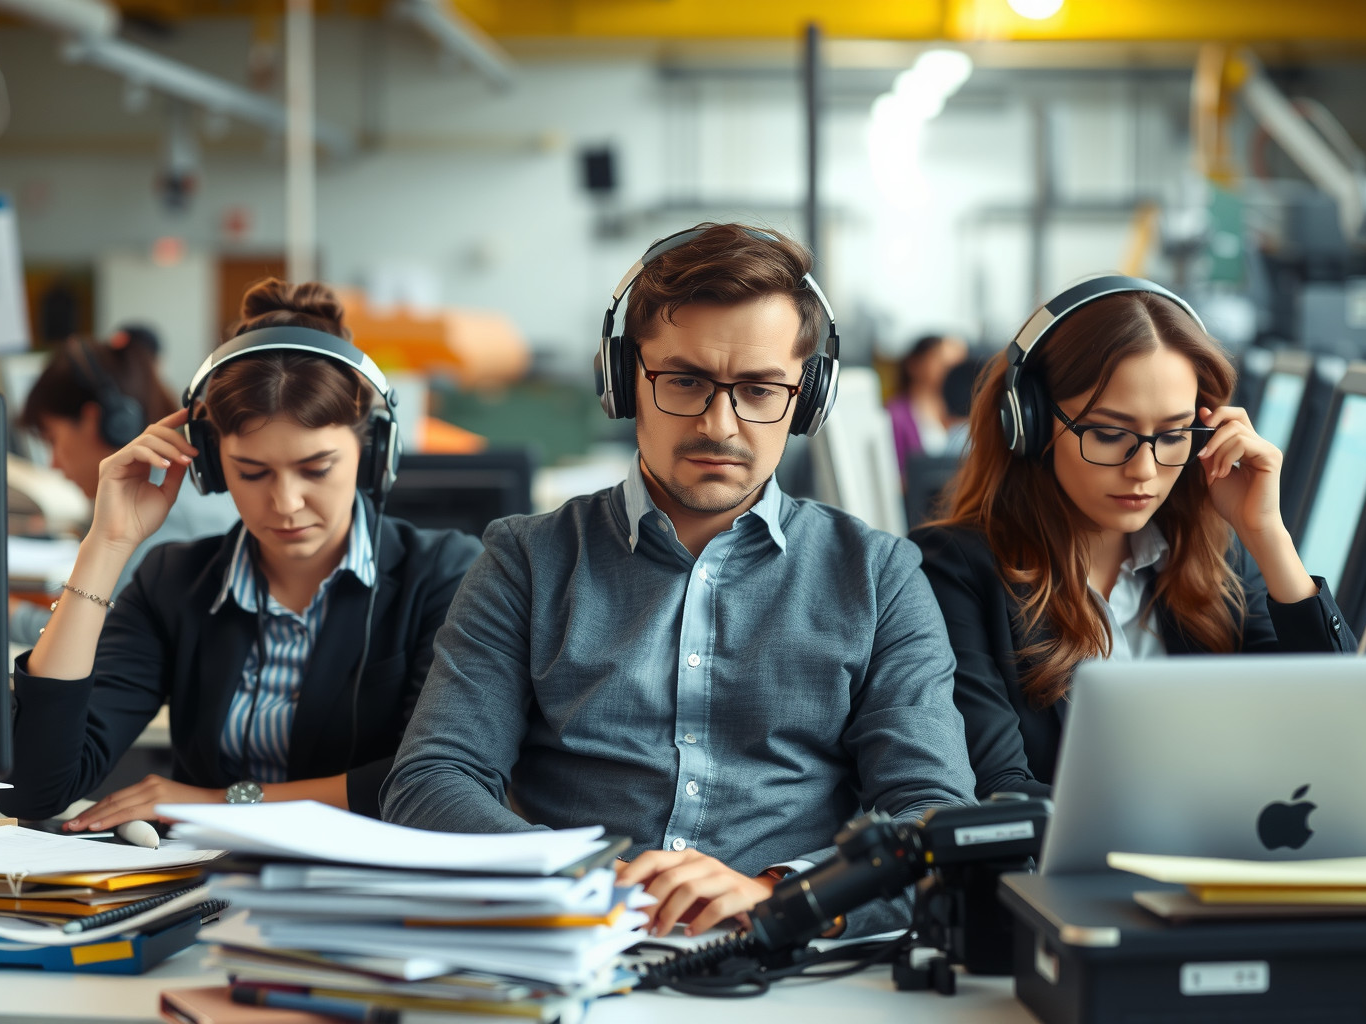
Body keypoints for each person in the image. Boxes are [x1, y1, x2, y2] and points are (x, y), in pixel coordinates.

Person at [382, 224, 974, 938]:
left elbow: (933, 817)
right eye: (685, 381)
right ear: (625, 378)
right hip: (577, 948)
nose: (717, 424)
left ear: (807, 397)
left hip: (790, 964)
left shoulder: (879, 576)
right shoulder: (526, 560)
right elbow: (430, 782)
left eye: (759, 389)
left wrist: (783, 894)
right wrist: (582, 875)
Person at [0, 280, 483, 827]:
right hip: (208, 889)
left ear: (373, 452)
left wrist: (221, 802)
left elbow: (433, 782)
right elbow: (33, 789)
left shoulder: (445, 575)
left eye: (316, 468)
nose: (285, 502)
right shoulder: (175, 580)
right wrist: (106, 545)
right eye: (252, 472)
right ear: (209, 464)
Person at [910, 277, 1356, 800]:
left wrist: (1266, 532)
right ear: (1027, 423)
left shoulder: (1217, 555)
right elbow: (1002, 791)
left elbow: (1340, 728)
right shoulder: (956, 571)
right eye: (1108, 433)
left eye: (1172, 436)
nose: (1144, 470)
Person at [11, 328, 239, 645]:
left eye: (52, 440)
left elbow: (97, 640)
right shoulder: (168, 481)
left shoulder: (162, 504)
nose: (53, 464)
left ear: (95, 421)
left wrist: (5, 616)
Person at [886, 333, 968, 473]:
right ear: (915, 364)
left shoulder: (956, 409)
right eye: (940, 361)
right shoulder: (895, 415)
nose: (948, 369)